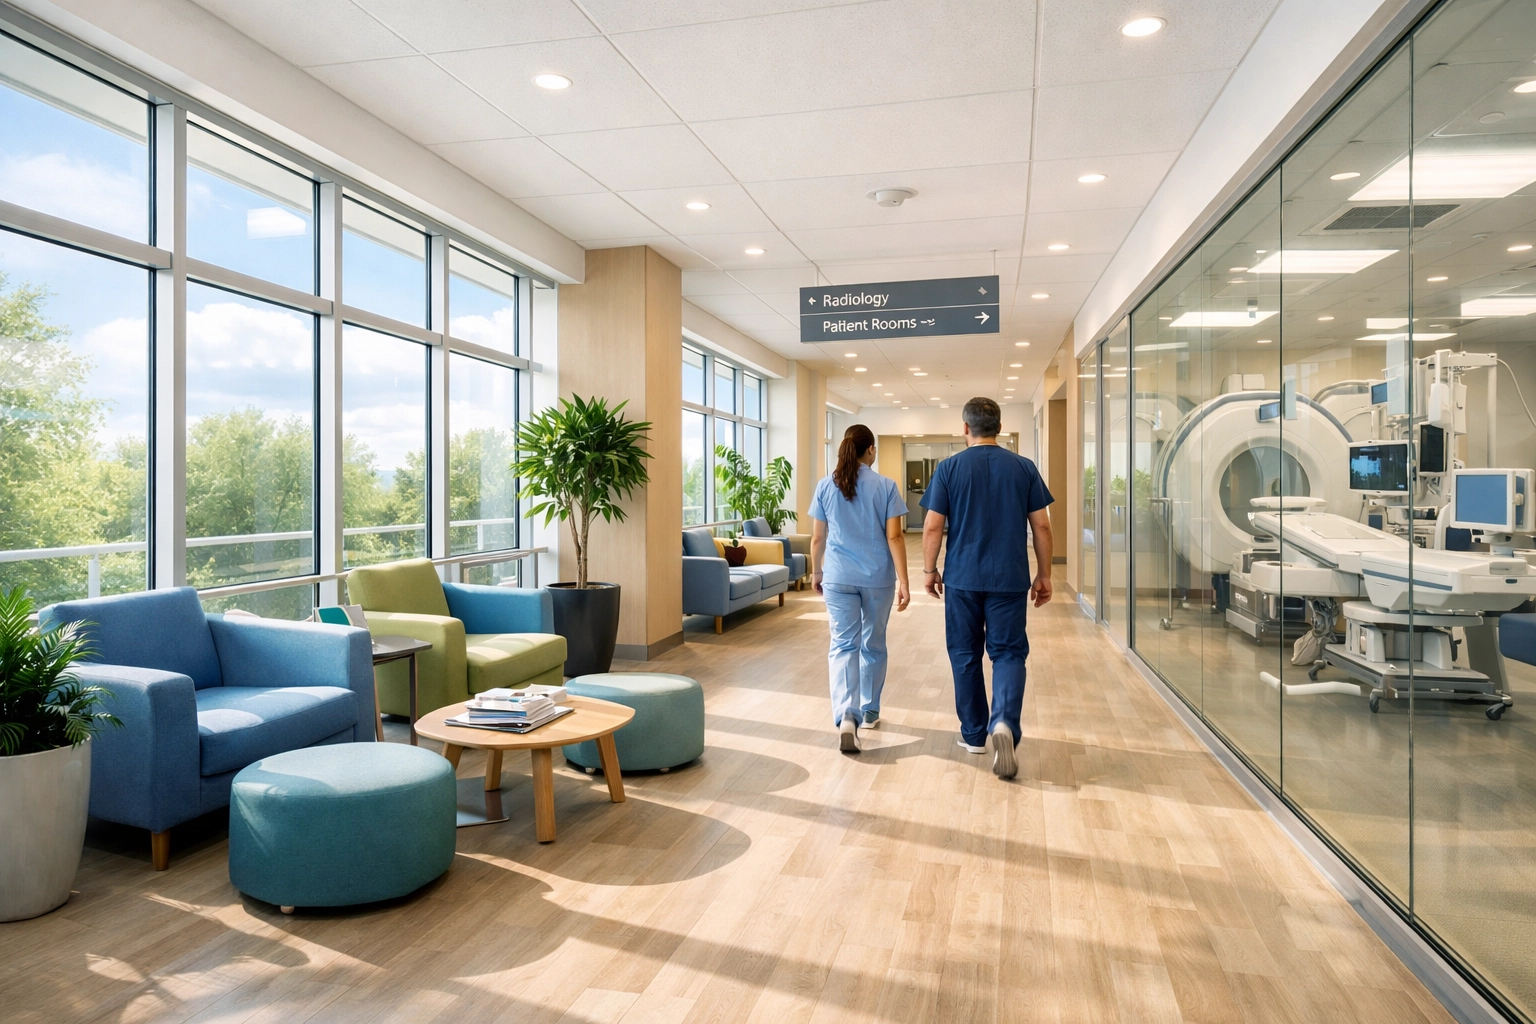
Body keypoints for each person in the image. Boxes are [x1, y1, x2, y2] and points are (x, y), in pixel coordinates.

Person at [920, 397, 1053, 778]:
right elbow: (1041, 526)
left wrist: (930, 570)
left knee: (964, 653)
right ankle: (1005, 722)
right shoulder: (1024, 468)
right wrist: (1045, 574)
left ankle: (975, 734)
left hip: (962, 578)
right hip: (1010, 578)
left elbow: (932, 526)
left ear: (966, 428)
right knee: (1009, 653)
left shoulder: (949, 469)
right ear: (999, 426)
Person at [808, 424, 911, 752]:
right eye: (875, 448)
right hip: (878, 578)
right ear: (869, 450)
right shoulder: (886, 486)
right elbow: (894, 536)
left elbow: (817, 537)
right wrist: (905, 581)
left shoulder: (826, 485)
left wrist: (816, 572)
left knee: (842, 645)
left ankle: (846, 716)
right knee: (873, 643)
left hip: (837, 577)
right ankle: (869, 710)